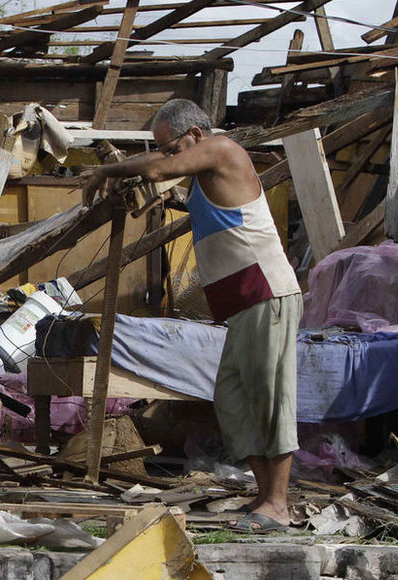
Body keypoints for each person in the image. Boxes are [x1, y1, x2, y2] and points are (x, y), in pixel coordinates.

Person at [80, 99, 302, 532]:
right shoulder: (205, 177)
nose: (166, 155)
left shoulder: (222, 149)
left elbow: (159, 171)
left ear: (196, 135)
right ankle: (263, 498)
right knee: (236, 399)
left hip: (264, 293)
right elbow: (174, 187)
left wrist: (109, 170)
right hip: (242, 305)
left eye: (171, 146)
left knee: (269, 398)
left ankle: (278, 504)